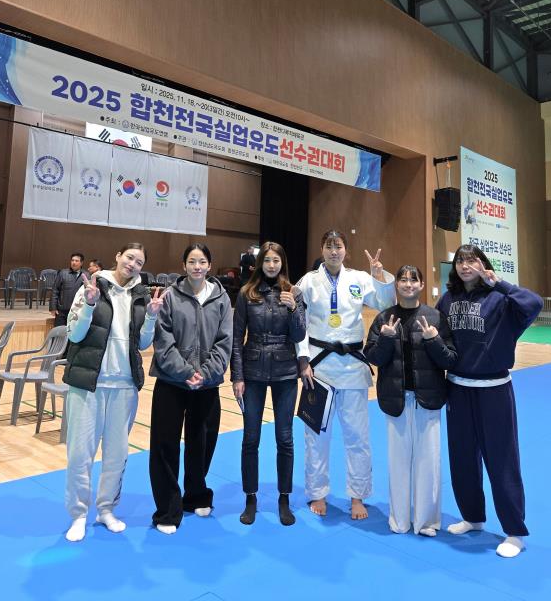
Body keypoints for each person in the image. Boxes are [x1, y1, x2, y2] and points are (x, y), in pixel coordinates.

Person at [437, 244, 543, 558]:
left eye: (472, 260)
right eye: (460, 261)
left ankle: (515, 532)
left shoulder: (501, 299)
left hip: (494, 389)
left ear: (483, 264)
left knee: (502, 459)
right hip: (458, 388)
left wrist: (500, 283)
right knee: (462, 458)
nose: (465, 266)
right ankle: (473, 517)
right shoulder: (448, 300)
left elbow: (535, 303)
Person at [62, 243, 166, 542]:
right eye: (129, 257)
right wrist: (89, 305)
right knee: (79, 455)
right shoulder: (92, 287)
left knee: (116, 456)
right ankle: (78, 515)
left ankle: (106, 509)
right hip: (88, 385)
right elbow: (74, 334)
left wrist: (151, 317)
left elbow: (143, 343)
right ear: (118, 257)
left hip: (124, 387)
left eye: (139, 261)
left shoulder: (142, 296)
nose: (133, 264)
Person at [296, 229, 396, 519]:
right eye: (328, 246)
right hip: (319, 368)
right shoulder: (308, 281)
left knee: (357, 437)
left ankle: (357, 496)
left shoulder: (359, 279)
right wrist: (303, 360)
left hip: (352, 366)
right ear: (322, 249)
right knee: (317, 436)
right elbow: (298, 321)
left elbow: (385, 303)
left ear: (345, 250)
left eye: (338, 246)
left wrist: (379, 275)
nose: (333, 251)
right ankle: (318, 493)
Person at [365, 265, 457, 536]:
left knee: (428, 462)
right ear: (396, 284)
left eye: (413, 280)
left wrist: (433, 340)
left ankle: (426, 521)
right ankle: (400, 520)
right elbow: (373, 357)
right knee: (398, 463)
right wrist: (385, 338)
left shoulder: (435, 317)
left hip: (428, 399)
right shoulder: (384, 318)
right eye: (403, 279)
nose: (408, 284)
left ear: (421, 285)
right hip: (396, 401)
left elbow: (450, 359)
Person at [150, 244, 233, 535]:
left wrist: (206, 374)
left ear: (209, 265)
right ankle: (167, 509)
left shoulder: (222, 298)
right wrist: (186, 372)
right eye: (192, 261)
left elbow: (225, 341)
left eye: (202, 261)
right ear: (183, 265)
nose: (197, 266)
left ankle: (196, 495)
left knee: (202, 442)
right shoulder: (170, 296)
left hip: (207, 384)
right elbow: (163, 341)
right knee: (165, 446)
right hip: (171, 382)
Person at [231, 241, 306, 526]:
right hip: (252, 371)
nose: (272, 265)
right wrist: (237, 376)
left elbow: (299, 335)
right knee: (251, 438)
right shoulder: (246, 293)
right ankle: (250, 498)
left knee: (285, 438)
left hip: (286, 372)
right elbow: (237, 338)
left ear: (282, 263)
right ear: (260, 263)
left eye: (276, 260)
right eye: (267, 260)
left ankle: (284, 499)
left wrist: (294, 309)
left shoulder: (293, 292)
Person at [50, 252, 85, 326]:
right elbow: (55, 290)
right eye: (72, 260)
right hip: (62, 312)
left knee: (74, 333)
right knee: (59, 332)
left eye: (76, 261)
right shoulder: (62, 273)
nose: (74, 262)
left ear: (81, 263)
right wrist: (53, 307)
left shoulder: (86, 275)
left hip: (77, 312)